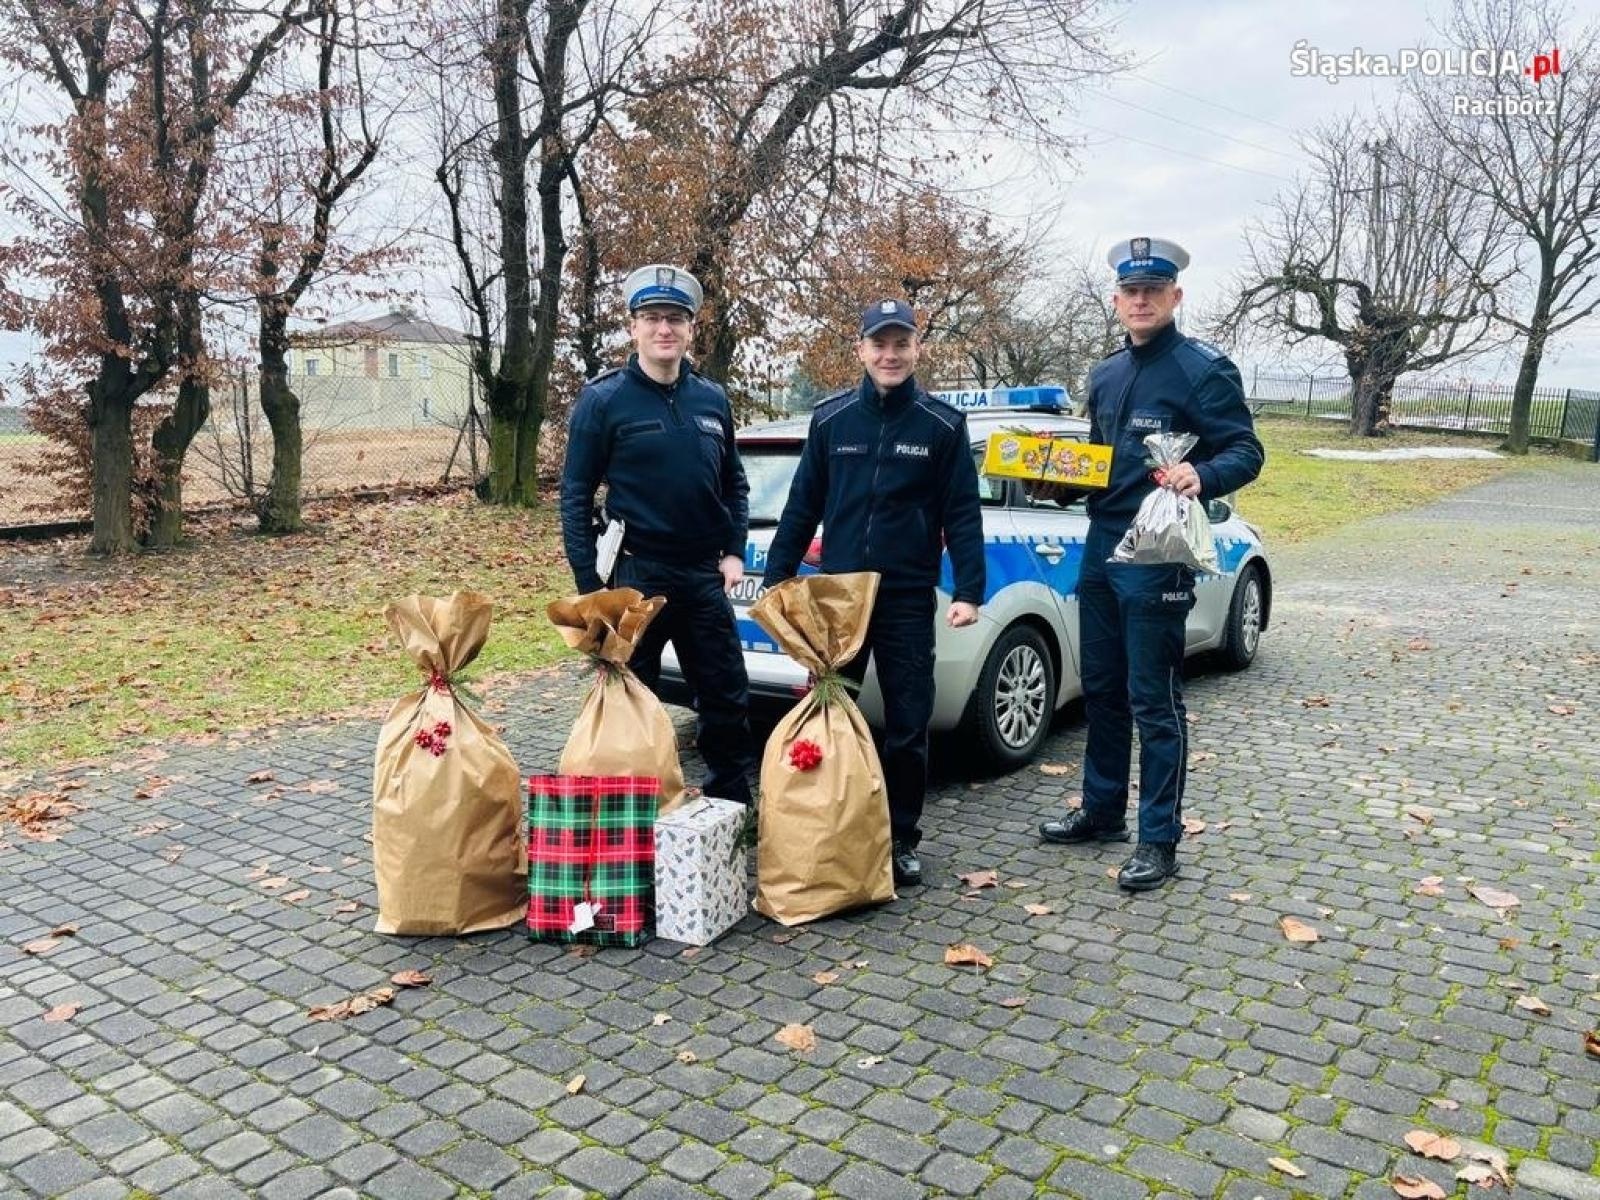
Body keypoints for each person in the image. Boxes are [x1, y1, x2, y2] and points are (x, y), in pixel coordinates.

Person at [1038, 237, 1264, 890]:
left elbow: (1248, 451)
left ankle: (1159, 840)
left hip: (1159, 552)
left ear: (1175, 297)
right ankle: (1102, 811)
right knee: (1102, 691)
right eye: (1130, 292)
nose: (1140, 300)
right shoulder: (1105, 374)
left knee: (1153, 700)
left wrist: (1204, 472)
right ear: (1117, 300)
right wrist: (1060, 482)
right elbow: (1101, 463)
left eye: (1152, 291)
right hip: (1100, 547)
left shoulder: (1203, 369)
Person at [762, 299, 985, 886]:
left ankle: (902, 835)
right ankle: (828, 819)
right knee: (831, 711)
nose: (890, 355)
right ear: (860, 350)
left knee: (909, 722)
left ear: (917, 350)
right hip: (840, 599)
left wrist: (969, 589)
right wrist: (777, 576)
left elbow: (962, 513)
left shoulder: (942, 426)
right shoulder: (832, 419)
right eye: (879, 344)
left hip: (908, 597)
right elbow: (803, 502)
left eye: (901, 344)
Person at [559, 264, 755, 806]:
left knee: (725, 695)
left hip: (700, 574)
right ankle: (632, 814)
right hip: (636, 578)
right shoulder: (604, 400)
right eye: (652, 318)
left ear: (692, 329)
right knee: (628, 698)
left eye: (675, 318)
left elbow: (734, 482)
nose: (663, 328)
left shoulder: (712, 400)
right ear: (634, 327)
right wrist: (589, 588)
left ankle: (730, 807)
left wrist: (734, 550)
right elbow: (575, 495)